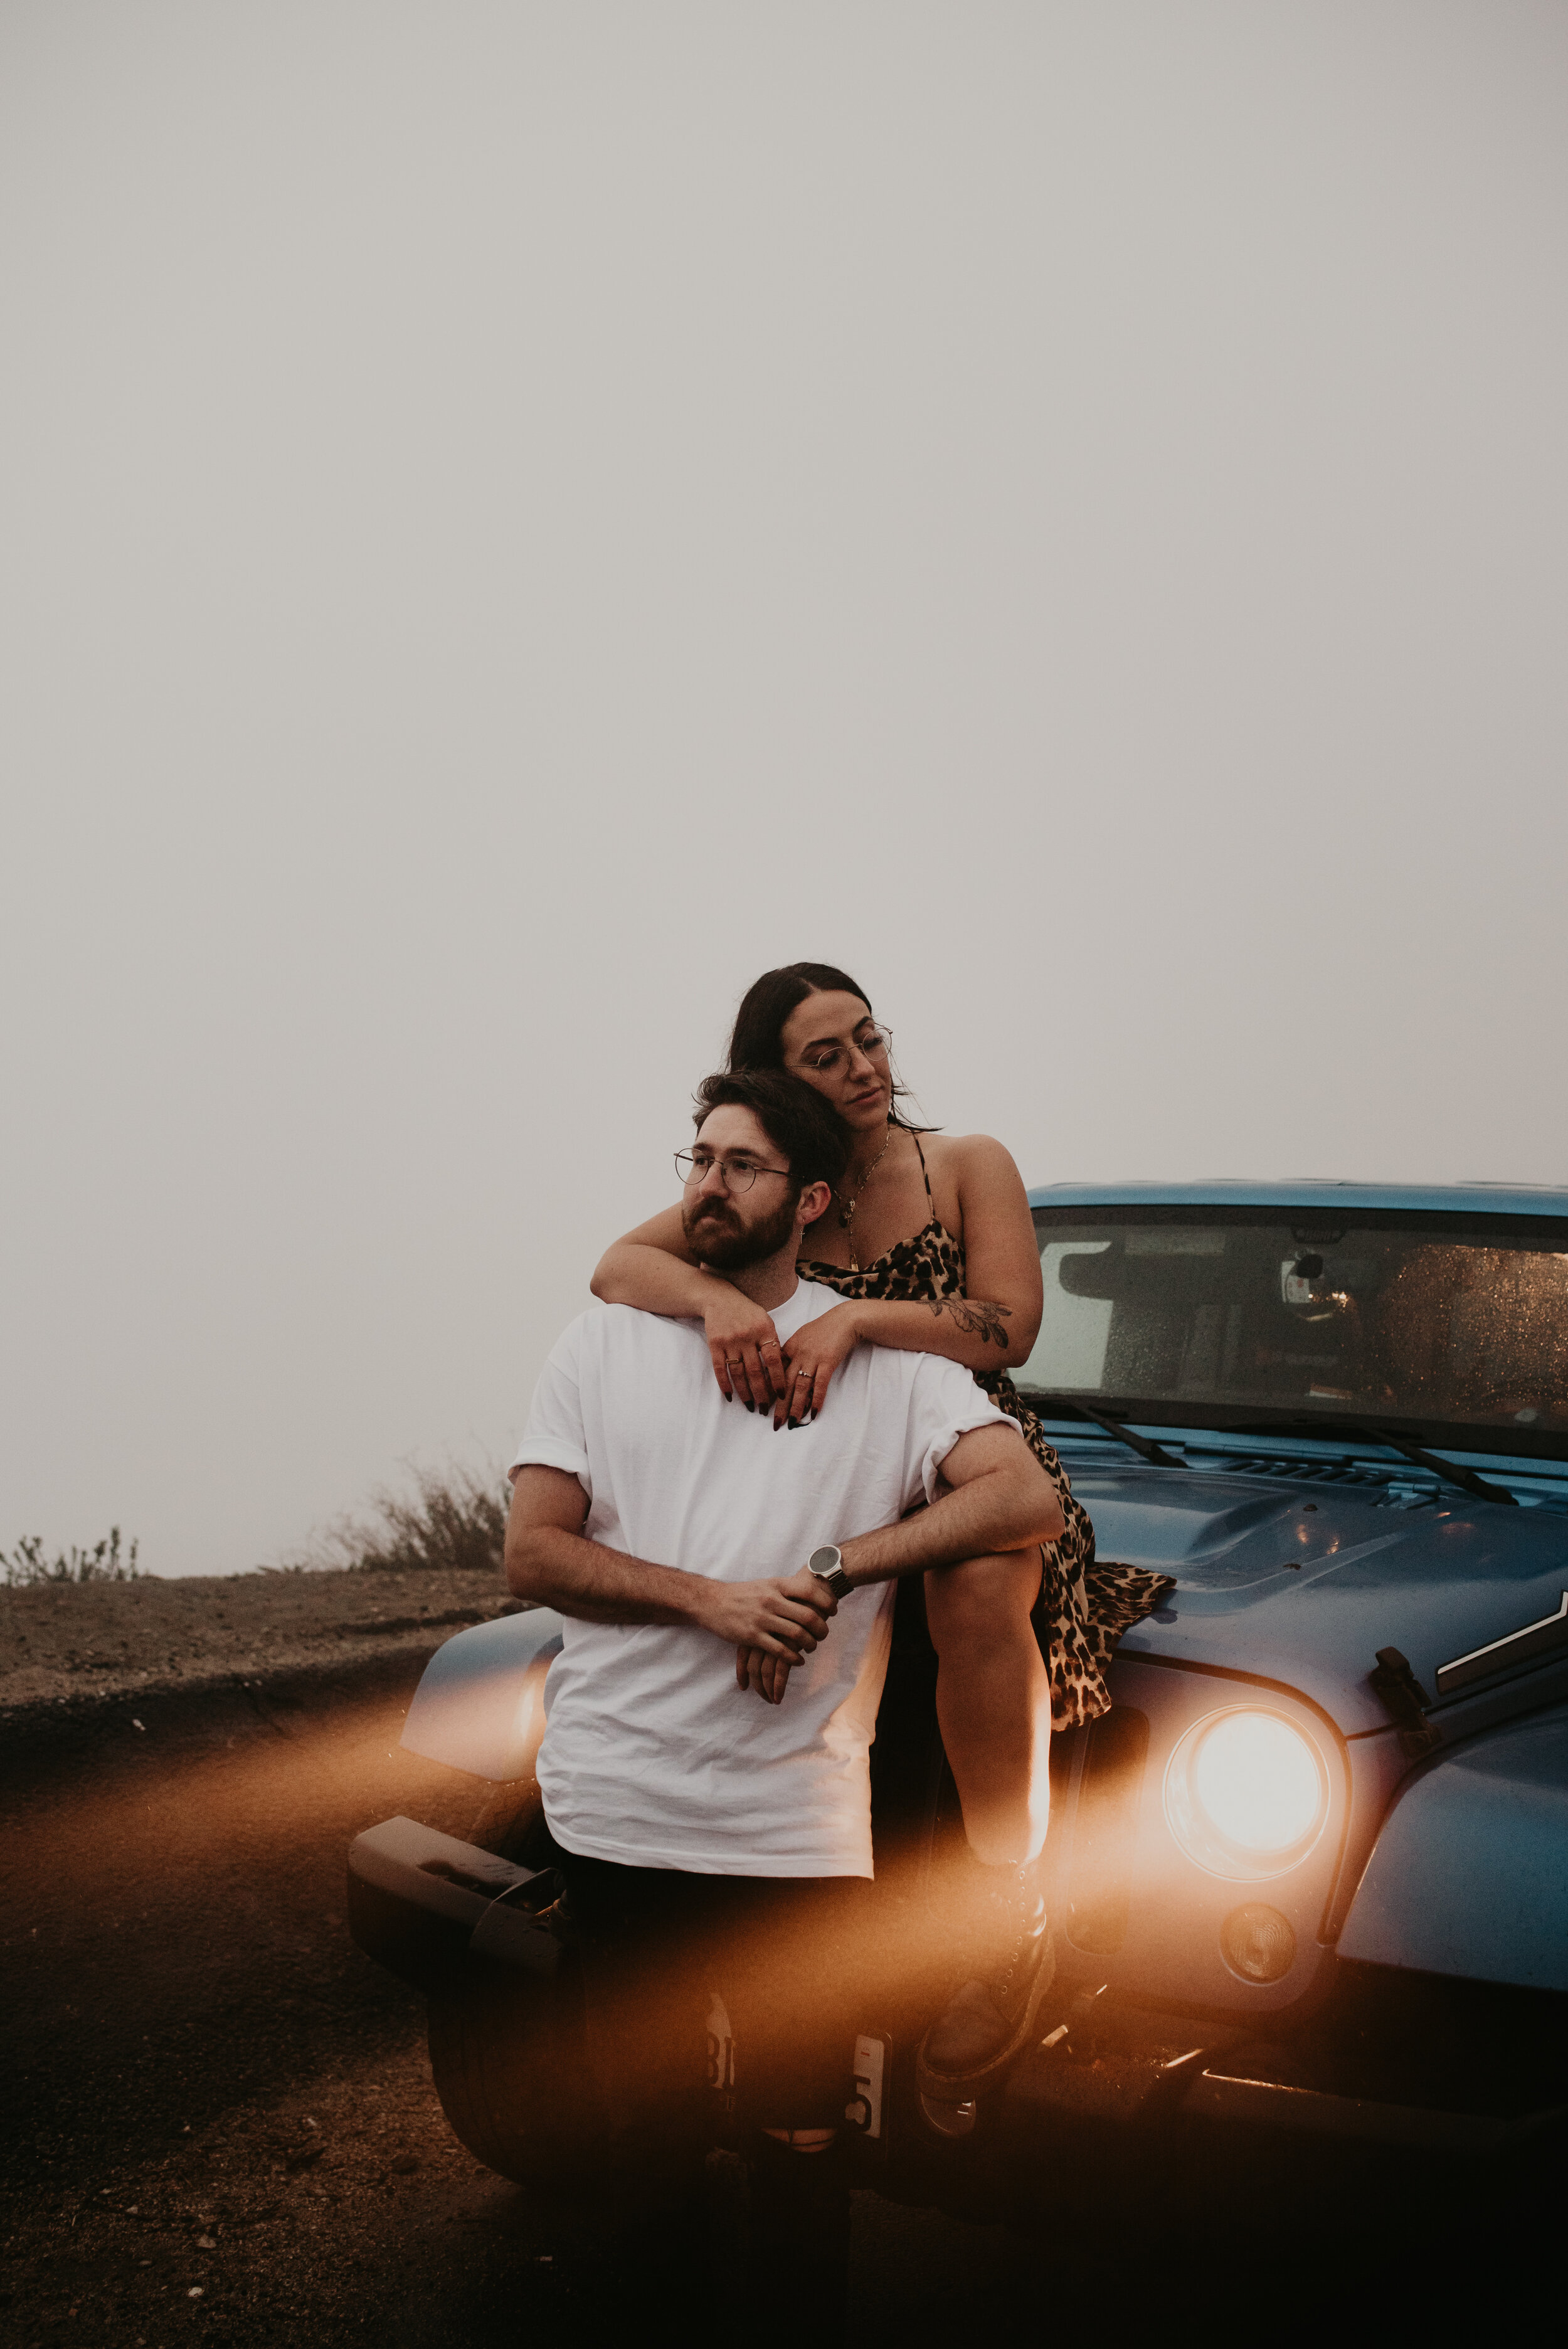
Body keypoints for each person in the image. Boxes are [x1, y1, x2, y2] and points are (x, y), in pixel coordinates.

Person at [507, 1066, 1064, 2321]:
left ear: (809, 1197)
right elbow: (532, 1553)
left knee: (803, 2160)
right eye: (695, 1161)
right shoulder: (600, 1343)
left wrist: (831, 1565)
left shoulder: (883, 1367)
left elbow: (1018, 1497)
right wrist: (717, 1600)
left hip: (789, 1836)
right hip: (618, 1809)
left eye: (738, 1165)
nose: (706, 1185)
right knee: (640, 2152)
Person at [591, 963, 1173, 2106]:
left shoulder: (963, 1165)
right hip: (836, 1476)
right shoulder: (778, 1184)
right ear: (776, 1080)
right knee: (715, 1590)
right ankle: (696, 1902)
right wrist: (718, 1300)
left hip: (976, 1462)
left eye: (868, 1039)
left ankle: (1013, 1912)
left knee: (966, 1583)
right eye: (827, 1055)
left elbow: (1005, 1328)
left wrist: (853, 1314)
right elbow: (618, 1267)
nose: (865, 1067)